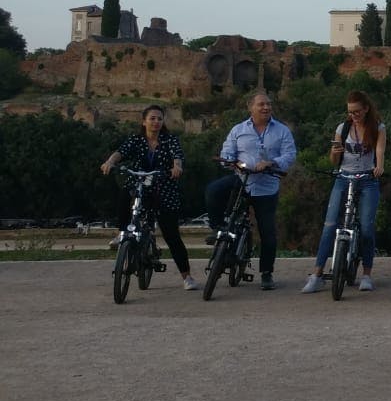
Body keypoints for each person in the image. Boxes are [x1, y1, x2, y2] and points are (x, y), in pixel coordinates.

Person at [205, 92, 297, 290]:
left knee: (268, 233)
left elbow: (290, 155)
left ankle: (266, 273)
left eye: (268, 104)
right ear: (250, 108)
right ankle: (217, 228)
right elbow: (226, 152)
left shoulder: (282, 131)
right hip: (242, 180)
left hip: (266, 186)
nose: (266, 107)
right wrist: (233, 162)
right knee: (213, 190)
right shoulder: (238, 130)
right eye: (261, 104)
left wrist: (272, 162)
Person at [99, 104, 198, 290]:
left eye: (159, 119)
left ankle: (187, 277)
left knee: (171, 235)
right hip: (138, 184)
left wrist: (177, 167)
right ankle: (122, 233)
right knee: (125, 196)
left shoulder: (170, 140)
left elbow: (177, 156)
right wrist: (109, 162)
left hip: (163, 188)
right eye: (152, 118)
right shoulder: (136, 140)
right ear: (144, 121)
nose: (156, 122)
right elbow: (120, 152)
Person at [302, 91, 386, 294]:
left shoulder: (378, 128)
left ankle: (366, 274)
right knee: (330, 225)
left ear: (366, 109)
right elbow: (334, 160)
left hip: (367, 179)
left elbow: (380, 151)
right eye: (350, 112)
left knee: (366, 227)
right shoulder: (343, 128)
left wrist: (379, 166)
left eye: (357, 111)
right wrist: (333, 153)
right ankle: (317, 274)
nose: (353, 116)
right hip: (344, 177)